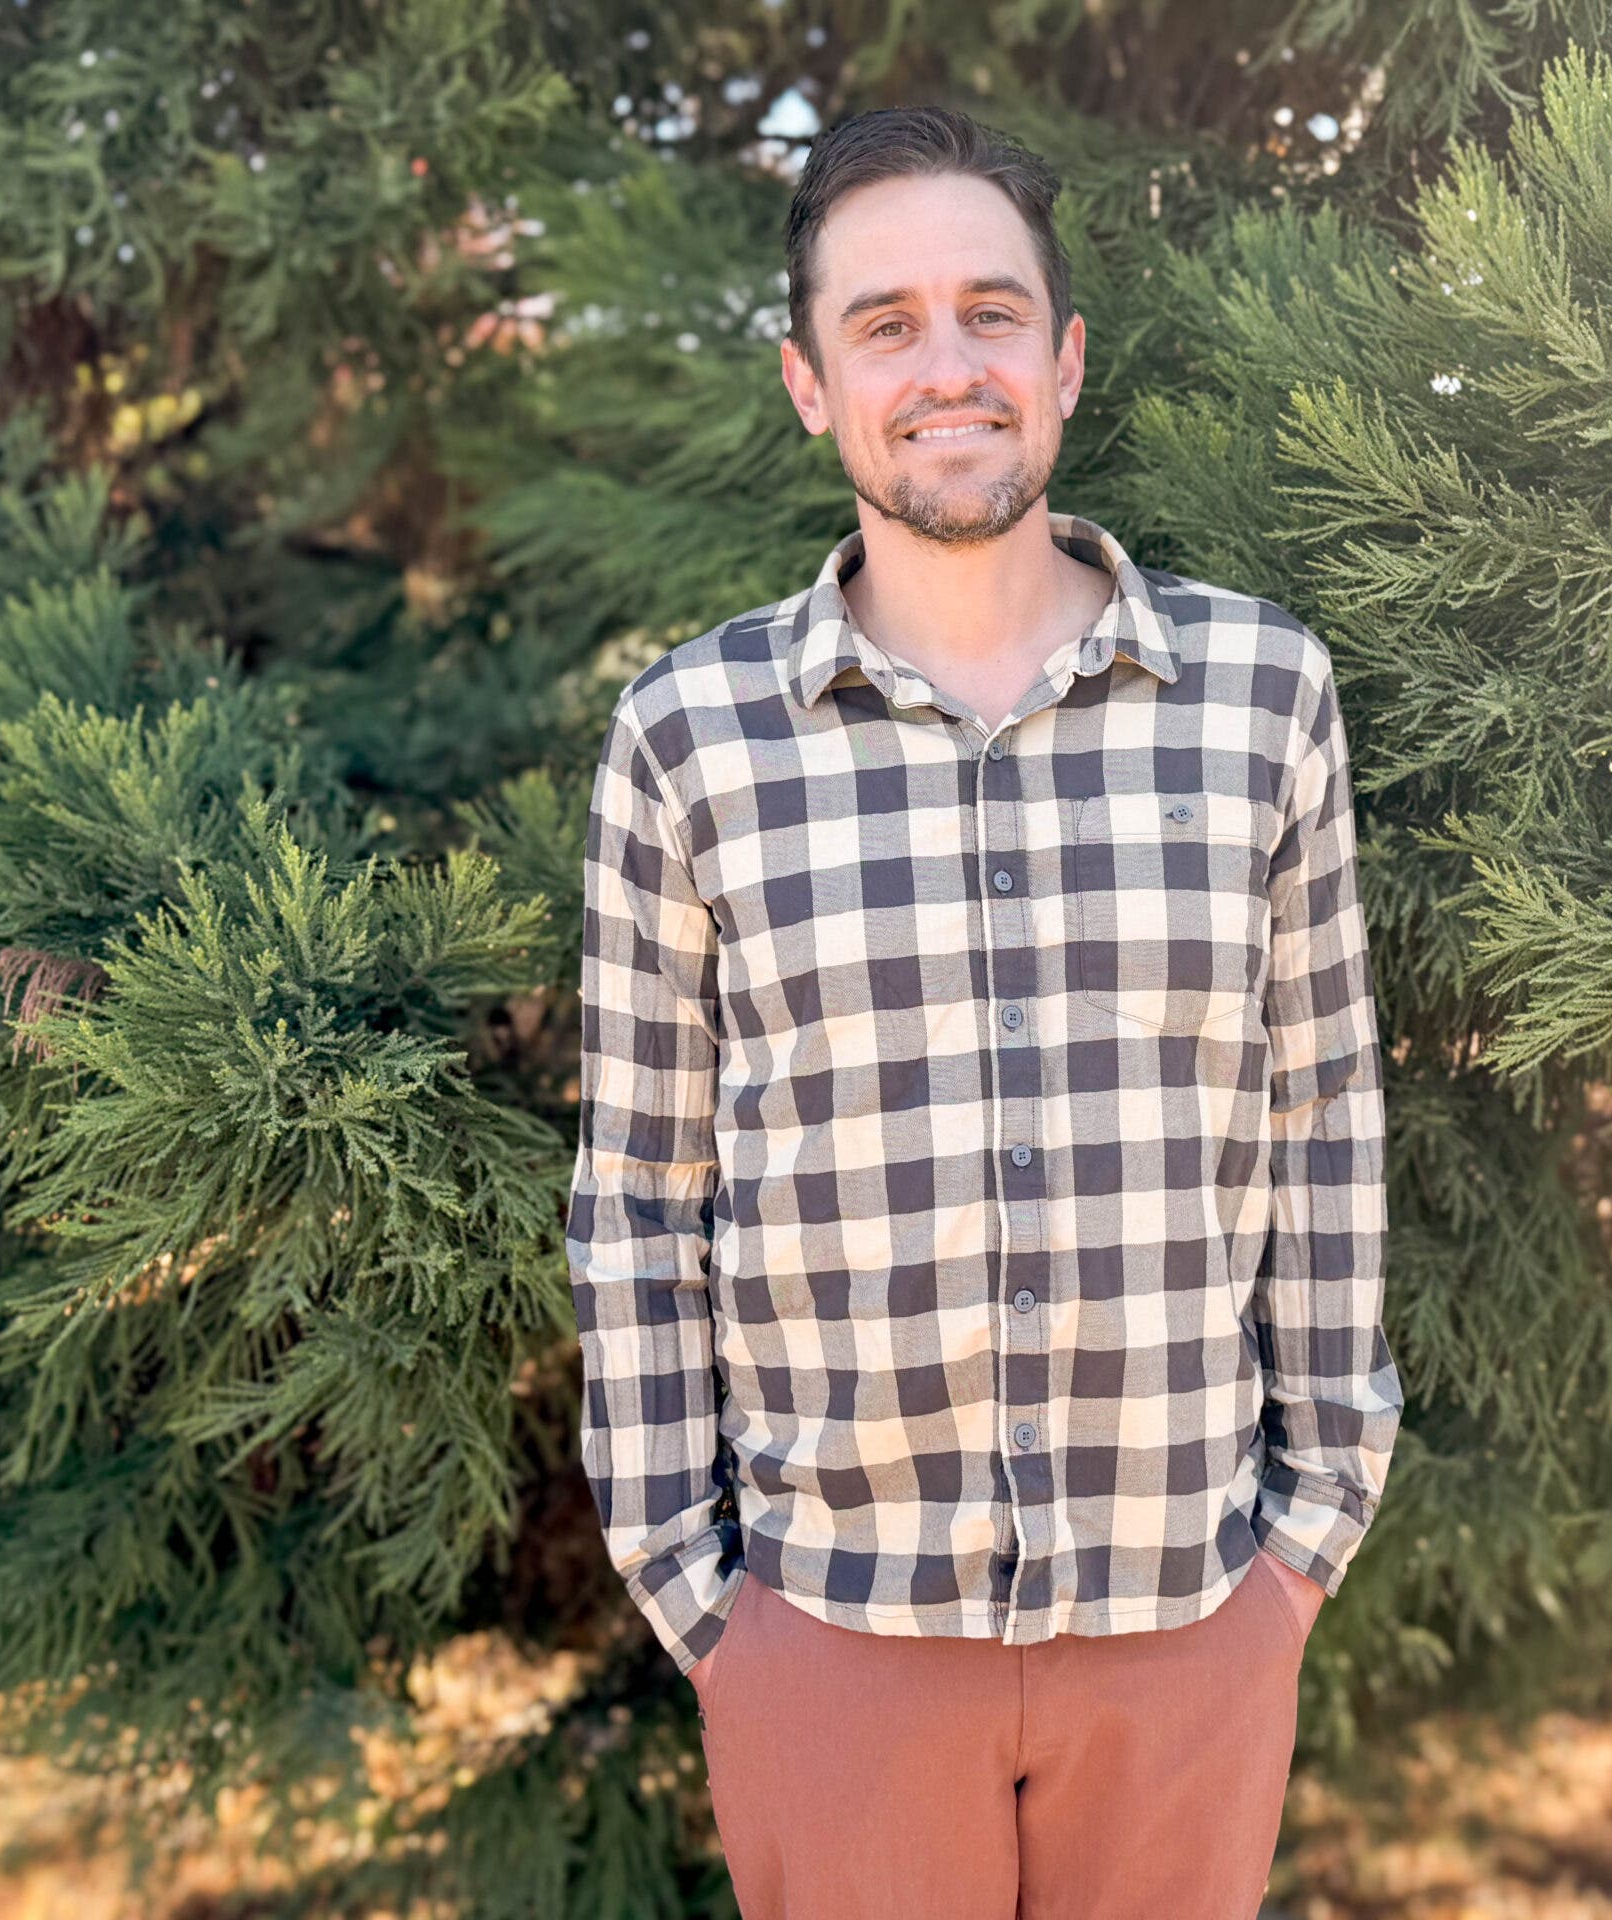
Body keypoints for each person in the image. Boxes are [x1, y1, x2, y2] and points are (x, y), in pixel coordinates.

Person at [567, 101, 1402, 1920]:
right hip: (833, 1635)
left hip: (1191, 1616)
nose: (946, 365)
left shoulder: (1262, 694)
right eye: (885, 325)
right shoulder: (690, 740)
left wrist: (1310, 1531)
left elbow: (1325, 1114)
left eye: (990, 312)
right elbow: (636, 1187)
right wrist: (700, 1596)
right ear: (810, 385)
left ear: (1066, 358)